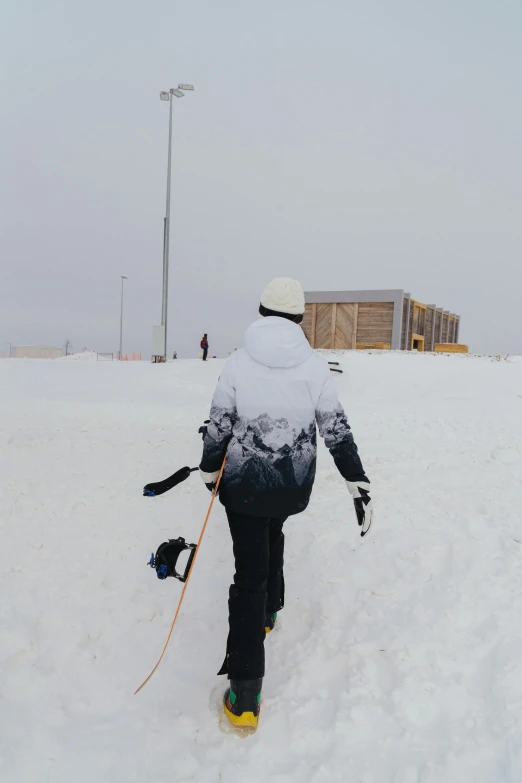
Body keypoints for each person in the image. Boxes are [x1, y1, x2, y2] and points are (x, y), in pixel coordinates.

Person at [199, 277, 373, 729]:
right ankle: (271, 610)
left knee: (248, 576)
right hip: (291, 484)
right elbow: (336, 429)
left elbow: (218, 424)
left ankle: (245, 695)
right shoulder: (314, 367)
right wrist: (357, 480)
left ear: (261, 311)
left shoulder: (237, 363)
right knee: (273, 530)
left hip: (243, 485)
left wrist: (207, 467)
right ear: (299, 317)